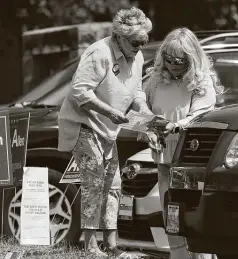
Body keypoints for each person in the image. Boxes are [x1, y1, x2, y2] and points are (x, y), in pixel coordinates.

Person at [57, 7, 153, 257]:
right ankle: (90, 246)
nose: (140, 47)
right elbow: (80, 92)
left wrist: (143, 110)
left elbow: (136, 92)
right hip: (84, 124)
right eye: (135, 42)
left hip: (109, 129)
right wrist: (110, 111)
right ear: (119, 36)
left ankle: (111, 245)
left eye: (144, 42)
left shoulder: (137, 56)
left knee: (113, 185)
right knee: (93, 183)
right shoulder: (99, 52)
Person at [143, 27, 224, 259]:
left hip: (191, 159)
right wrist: (147, 129)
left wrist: (174, 126)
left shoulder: (202, 81)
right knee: (170, 215)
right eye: (167, 58)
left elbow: (200, 116)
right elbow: (143, 110)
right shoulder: (156, 79)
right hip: (163, 160)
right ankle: (177, 256)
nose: (171, 64)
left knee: (192, 216)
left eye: (178, 60)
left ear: (190, 58)